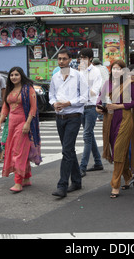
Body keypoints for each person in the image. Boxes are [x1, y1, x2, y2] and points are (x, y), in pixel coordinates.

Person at [97, 60, 134, 198]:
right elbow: (99, 100)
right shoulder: (107, 84)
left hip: (125, 119)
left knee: (118, 149)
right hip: (109, 120)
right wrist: (98, 107)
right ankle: (128, 177)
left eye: (118, 68)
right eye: (113, 68)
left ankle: (115, 185)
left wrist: (119, 106)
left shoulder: (129, 84)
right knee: (118, 151)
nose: (115, 71)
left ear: (123, 71)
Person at [49, 49, 88, 198]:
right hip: (60, 118)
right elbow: (51, 96)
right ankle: (77, 181)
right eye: (59, 59)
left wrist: (68, 103)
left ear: (70, 60)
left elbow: (84, 98)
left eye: (64, 59)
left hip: (74, 116)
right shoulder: (55, 77)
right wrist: (54, 104)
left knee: (66, 150)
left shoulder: (78, 76)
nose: (61, 62)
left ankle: (62, 185)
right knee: (69, 150)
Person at [0, 67, 41, 193]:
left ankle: (18, 182)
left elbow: (33, 108)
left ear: (21, 75)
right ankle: (26, 178)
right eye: (11, 75)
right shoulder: (10, 90)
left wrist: (27, 124)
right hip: (11, 124)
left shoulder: (28, 89)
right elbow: (5, 108)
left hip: (23, 123)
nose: (14, 77)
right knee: (15, 150)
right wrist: (0, 122)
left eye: (16, 75)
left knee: (18, 152)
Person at [78, 48, 104, 177]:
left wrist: (83, 89)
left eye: (84, 57)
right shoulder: (79, 72)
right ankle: (98, 162)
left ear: (90, 59)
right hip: (81, 107)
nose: (81, 60)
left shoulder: (96, 72)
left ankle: (82, 167)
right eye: (80, 57)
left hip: (91, 107)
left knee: (87, 135)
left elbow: (95, 90)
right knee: (90, 135)